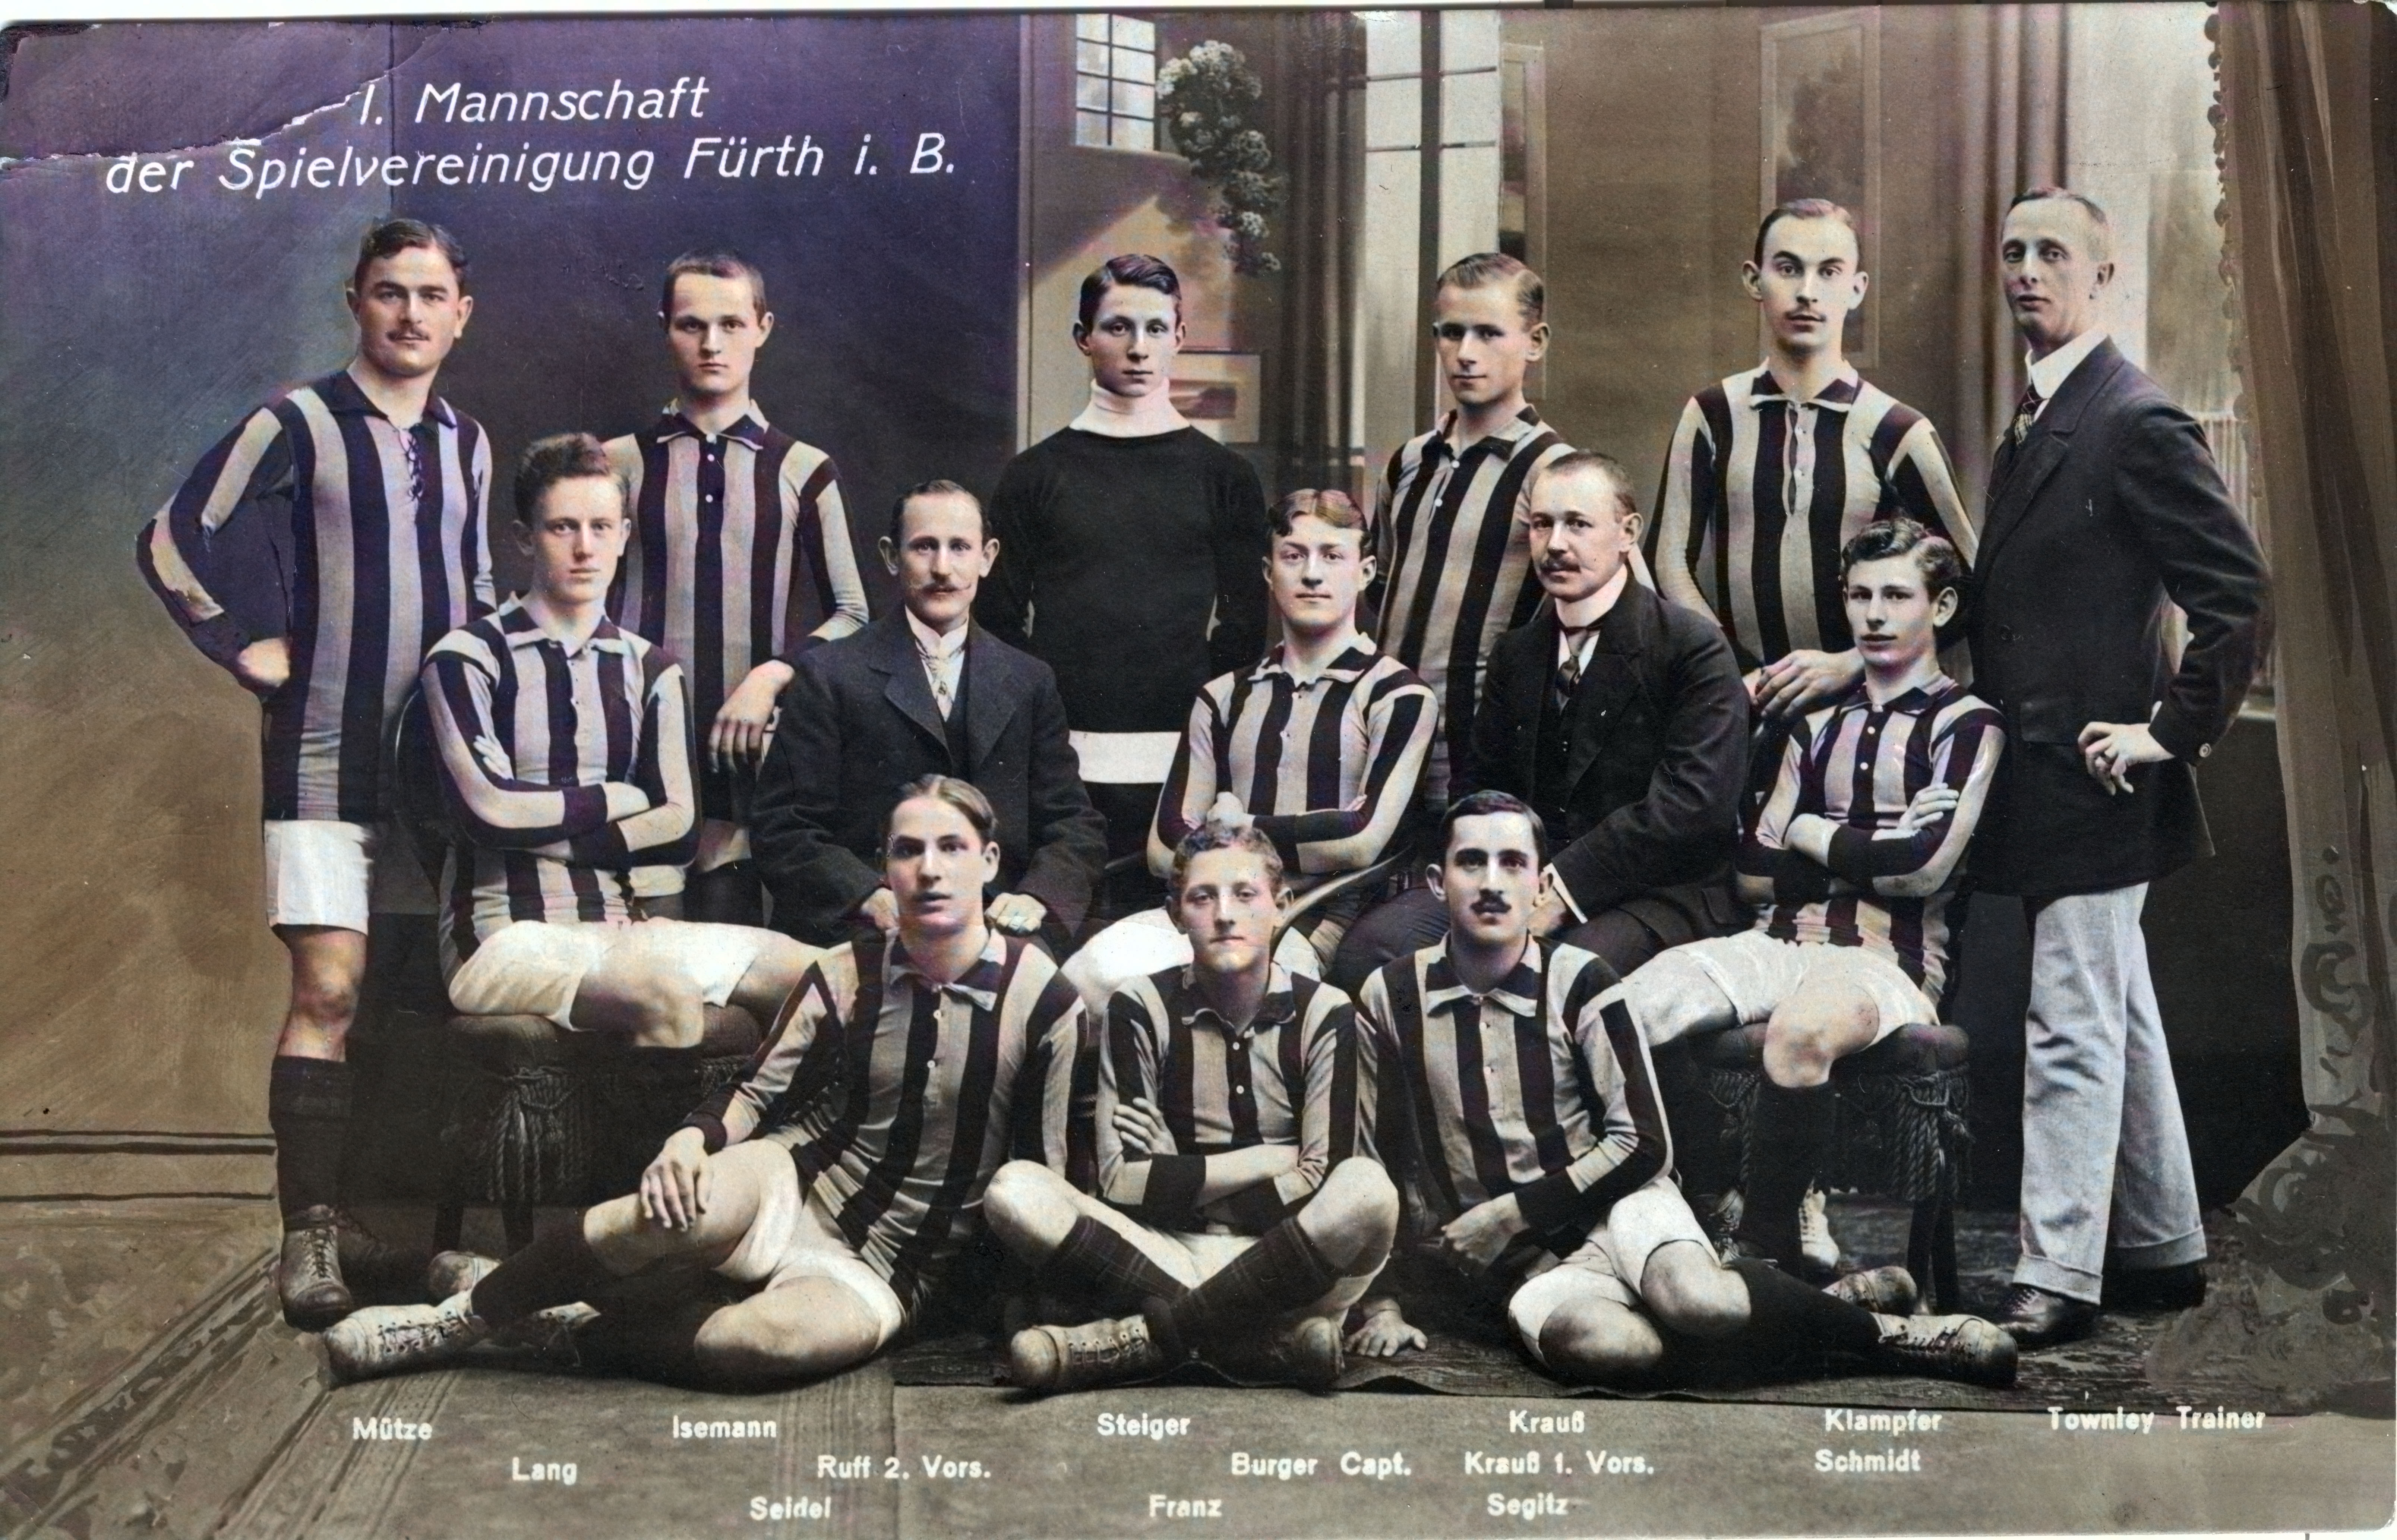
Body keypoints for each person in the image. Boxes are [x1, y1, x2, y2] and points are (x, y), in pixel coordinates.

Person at [324, 776, 1094, 1387]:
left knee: (752, 1345)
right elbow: (758, 1091)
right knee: (657, 1213)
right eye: (908, 849)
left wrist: (1009, 1307)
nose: (929, 869)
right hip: (799, 1180)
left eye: (952, 847)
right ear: (886, 866)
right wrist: (688, 1142)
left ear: (989, 861)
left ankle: (556, 1324)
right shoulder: (845, 971)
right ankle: (454, 1322)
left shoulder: (1046, 1000)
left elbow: (1044, 1175)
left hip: (903, 1262)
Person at [135, 217, 495, 1328]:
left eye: (430, 295)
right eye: (390, 292)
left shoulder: (469, 441)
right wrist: (236, 640)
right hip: (323, 760)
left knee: (425, 1003)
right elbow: (170, 535)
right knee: (329, 991)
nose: (410, 314)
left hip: (439, 774)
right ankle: (312, 1236)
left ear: (460, 313)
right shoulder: (297, 420)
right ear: (356, 302)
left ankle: (412, 1236)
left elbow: (480, 587)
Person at [1349, 792, 2015, 1390]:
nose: (1492, 883)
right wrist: (1379, 1302)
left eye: (1512, 864)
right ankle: (1819, 1308)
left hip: (1618, 1206)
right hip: (1518, 1264)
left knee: (1703, 1304)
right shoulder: (1391, 996)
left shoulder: (1582, 980)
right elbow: (1371, 1157)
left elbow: (1644, 1143)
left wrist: (1511, 1213)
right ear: (1437, 882)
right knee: (1616, 1349)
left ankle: (1890, 1337)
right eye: (1471, 862)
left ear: (1540, 884)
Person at [1970, 189, 2268, 1349]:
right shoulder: (2045, 411)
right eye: (2012, 251)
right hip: (2047, 776)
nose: (2025, 271)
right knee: (2115, 1007)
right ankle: (2160, 1242)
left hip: (2097, 778)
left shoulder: (2132, 417)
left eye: (2051, 253)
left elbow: (2236, 596)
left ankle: (2057, 1271)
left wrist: (2168, 731)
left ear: (2102, 276)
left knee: (2070, 1024)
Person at [1596, 519, 2002, 1278]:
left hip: (1885, 964)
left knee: (1802, 1030)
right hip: (1774, 942)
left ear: (1941, 607)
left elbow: (1922, 869)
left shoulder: (1968, 724)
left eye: (1896, 596)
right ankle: (1709, 1200)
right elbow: (1752, 870)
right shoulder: (1812, 726)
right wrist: (1868, 843)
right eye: (1859, 596)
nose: (1873, 615)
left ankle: (1765, 1244)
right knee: (1622, 1012)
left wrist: (1811, 832)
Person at [418, 433, 818, 1050]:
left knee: (825, 976)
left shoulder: (651, 668)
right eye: (562, 528)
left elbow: (679, 826)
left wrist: (557, 834)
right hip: (504, 938)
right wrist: (619, 798)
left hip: (621, 931)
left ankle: (744, 1117)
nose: (585, 548)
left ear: (625, 535)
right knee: (665, 995)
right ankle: (654, 1123)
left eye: (601, 527)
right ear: (525, 537)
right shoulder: (468, 657)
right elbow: (490, 810)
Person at [984, 823, 1397, 1392]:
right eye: (1203, 897)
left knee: (1368, 1189)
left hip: (1286, 1254)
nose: (1225, 915)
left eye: (1245, 895)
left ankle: (1142, 1339)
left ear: (1281, 907)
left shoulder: (1326, 1012)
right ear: (1176, 913)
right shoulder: (1140, 1004)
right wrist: (1271, 1158)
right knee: (1014, 1191)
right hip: (1166, 1251)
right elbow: (1120, 1183)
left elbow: (1324, 1179)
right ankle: (1264, 1341)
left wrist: (1179, 1175)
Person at [1332, 451, 1747, 994]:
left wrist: (1565, 888)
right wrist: (1496, 875)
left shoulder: (1692, 648)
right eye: (1542, 524)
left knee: (1556, 976)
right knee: (1373, 950)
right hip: (1519, 881)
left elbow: (1693, 808)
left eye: (1578, 524)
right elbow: (1481, 784)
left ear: (1628, 533)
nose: (1555, 545)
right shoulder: (1518, 653)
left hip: (1656, 892)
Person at [1065, 490, 1435, 1009]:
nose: (1312, 574)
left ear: (1366, 571)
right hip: (1200, 911)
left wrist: (1236, 825)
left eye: (1332, 556)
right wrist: (1285, 838)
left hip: (1306, 917)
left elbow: (1360, 839)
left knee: (1236, 993)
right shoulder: (1222, 696)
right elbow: (1163, 847)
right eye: (1293, 555)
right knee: (1084, 978)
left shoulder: (1399, 696)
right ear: (1268, 571)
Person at [976, 254, 1271, 883]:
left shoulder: (1225, 477)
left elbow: (1245, 628)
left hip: (1183, 761)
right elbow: (998, 622)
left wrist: (1200, 733)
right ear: (1083, 337)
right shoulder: (1034, 476)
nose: (1139, 348)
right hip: (1060, 762)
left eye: (1155, 329)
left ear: (1179, 337)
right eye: (1118, 327)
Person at [605, 250, 869, 925]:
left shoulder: (803, 467)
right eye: (692, 325)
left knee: (730, 946)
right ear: (666, 329)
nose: (712, 344)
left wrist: (771, 676)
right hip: (631, 747)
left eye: (730, 324)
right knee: (643, 955)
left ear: (763, 328)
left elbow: (852, 613)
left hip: (743, 755)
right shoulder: (616, 463)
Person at [1646, 199, 1975, 723]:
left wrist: (1853, 662)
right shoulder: (1712, 415)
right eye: (1788, 268)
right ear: (1754, 280)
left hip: (1869, 713)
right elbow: (1666, 563)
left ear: (1858, 289)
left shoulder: (1897, 429)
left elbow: (1968, 584)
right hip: (1742, 703)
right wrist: (1729, 672)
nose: (1807, 291)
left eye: (1829, 272)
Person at [748, 480, 1107, 950]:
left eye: (960, 547)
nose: (942, 568)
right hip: (869, 924)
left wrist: (1037, 897)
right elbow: (784, 826)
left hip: (995, 925)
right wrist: (867, 897)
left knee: (1031, 979)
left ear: (987, 557)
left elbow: (1073, 823)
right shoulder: (830, 674)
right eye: (924, 547)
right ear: (891, 556)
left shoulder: (1029, 680)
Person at [1370, 252, 1582, 807]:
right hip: (1384, 745)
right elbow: (1379, 591)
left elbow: (1613, 619)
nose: (1466, 353)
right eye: (1452, 333)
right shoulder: (1410, 461)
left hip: (1484, 756)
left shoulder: (1555, 471)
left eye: (1489, 334)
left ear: (1535, 342)